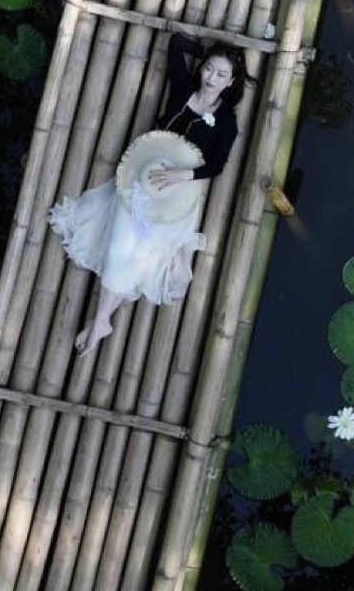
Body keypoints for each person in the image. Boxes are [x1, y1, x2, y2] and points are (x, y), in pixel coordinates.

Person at [49, 36, 248, 357]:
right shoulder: (184, 87)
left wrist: (177, 177)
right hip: (145, 173)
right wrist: (205, 50)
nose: (211, 78)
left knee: (137, 253)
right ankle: (102, 321)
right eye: (209, 69)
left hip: (176, 189)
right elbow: (175, 44)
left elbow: (217, 166)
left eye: (221, 75)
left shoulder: (226, 120)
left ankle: (101, 320)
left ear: (232, 82)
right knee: (119, 245)